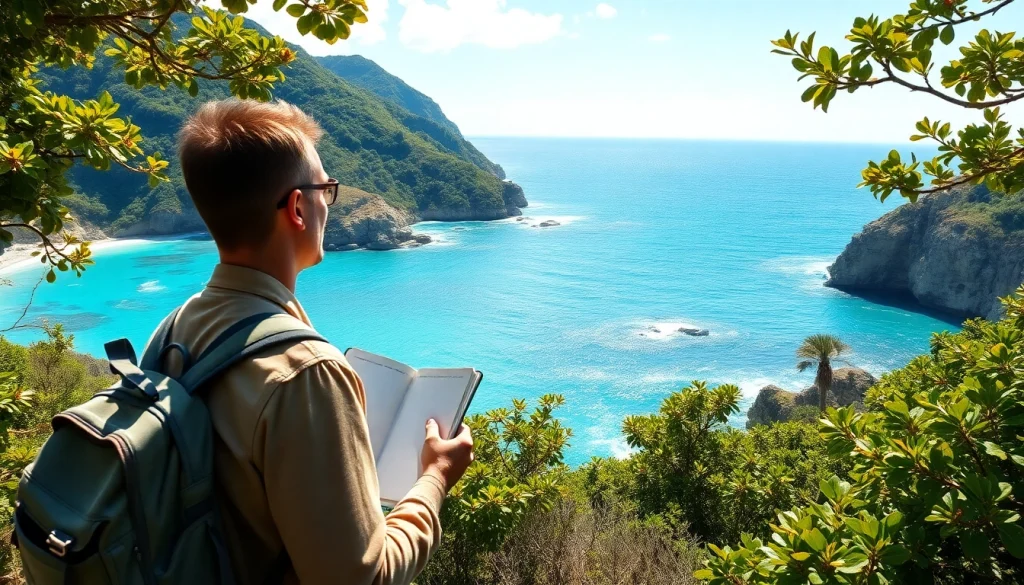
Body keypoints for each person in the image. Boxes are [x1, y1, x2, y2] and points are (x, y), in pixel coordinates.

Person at [166, 98, 475, 585]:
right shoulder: (307, 374)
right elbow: (361, 578)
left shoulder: (178, 326)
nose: (328, 203)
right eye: (326, 189)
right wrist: (435, 477)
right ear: (296, 207)